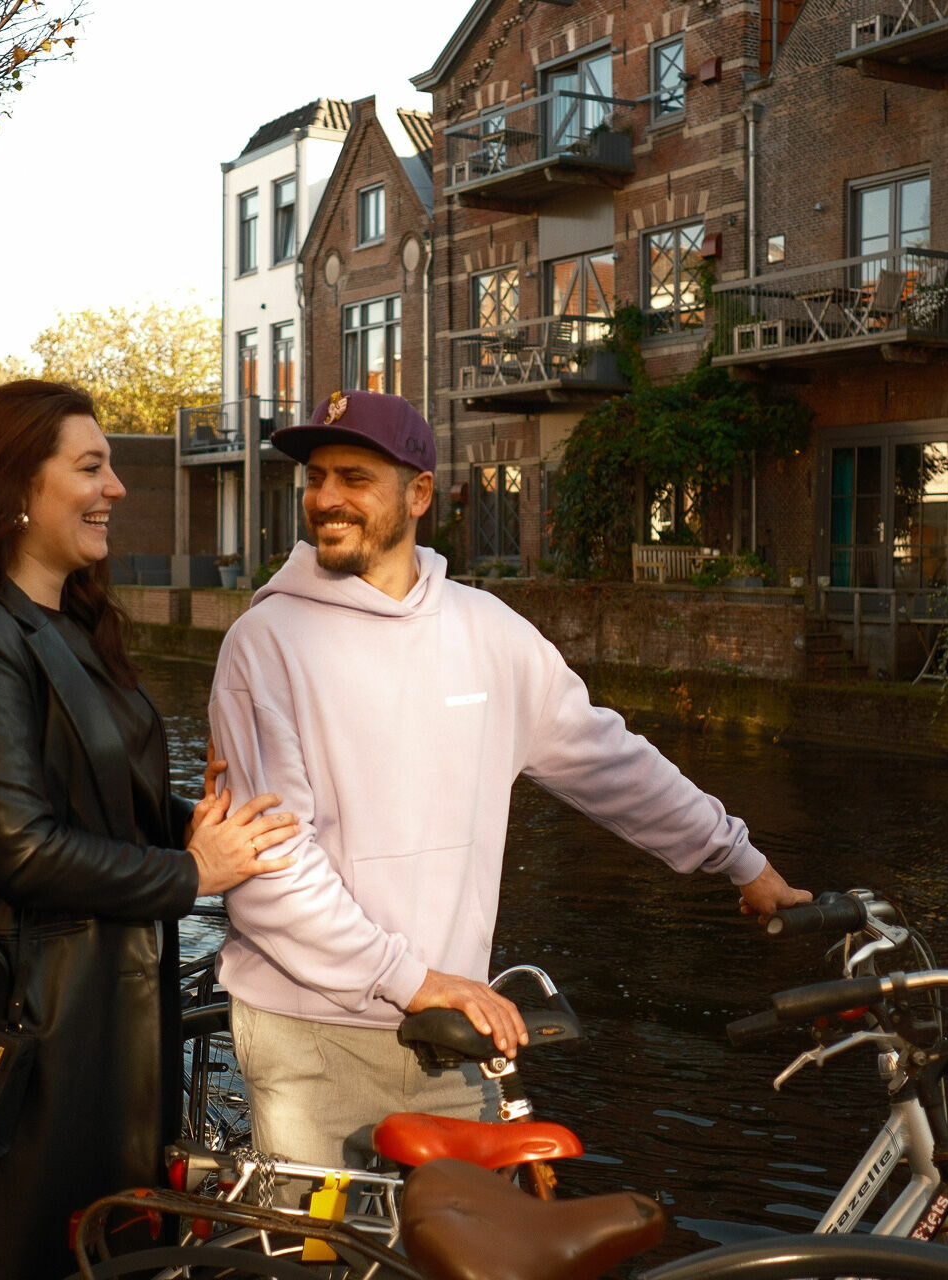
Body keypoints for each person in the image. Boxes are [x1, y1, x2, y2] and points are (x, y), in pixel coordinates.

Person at [208, 390, 812, 1170]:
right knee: (325, 1257)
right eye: (316, 477)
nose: (325, 499)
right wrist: (412, 977)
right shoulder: (266, 644)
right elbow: (268, 870)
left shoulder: (487, 631)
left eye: (354, 478)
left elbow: (608, 761)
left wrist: (741, 860)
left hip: (448, 1024)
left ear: (418, 492)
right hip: (317, 1032)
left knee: (472, 1247)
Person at [0, 380, 298, 1280]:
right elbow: (20, 847)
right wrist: (192, 874)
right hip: (20, 1047)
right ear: (16, 489)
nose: (118, 488)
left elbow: (103, 804)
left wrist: (198, 826)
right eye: (91, 467)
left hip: (95, 1029)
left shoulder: (73, 627)